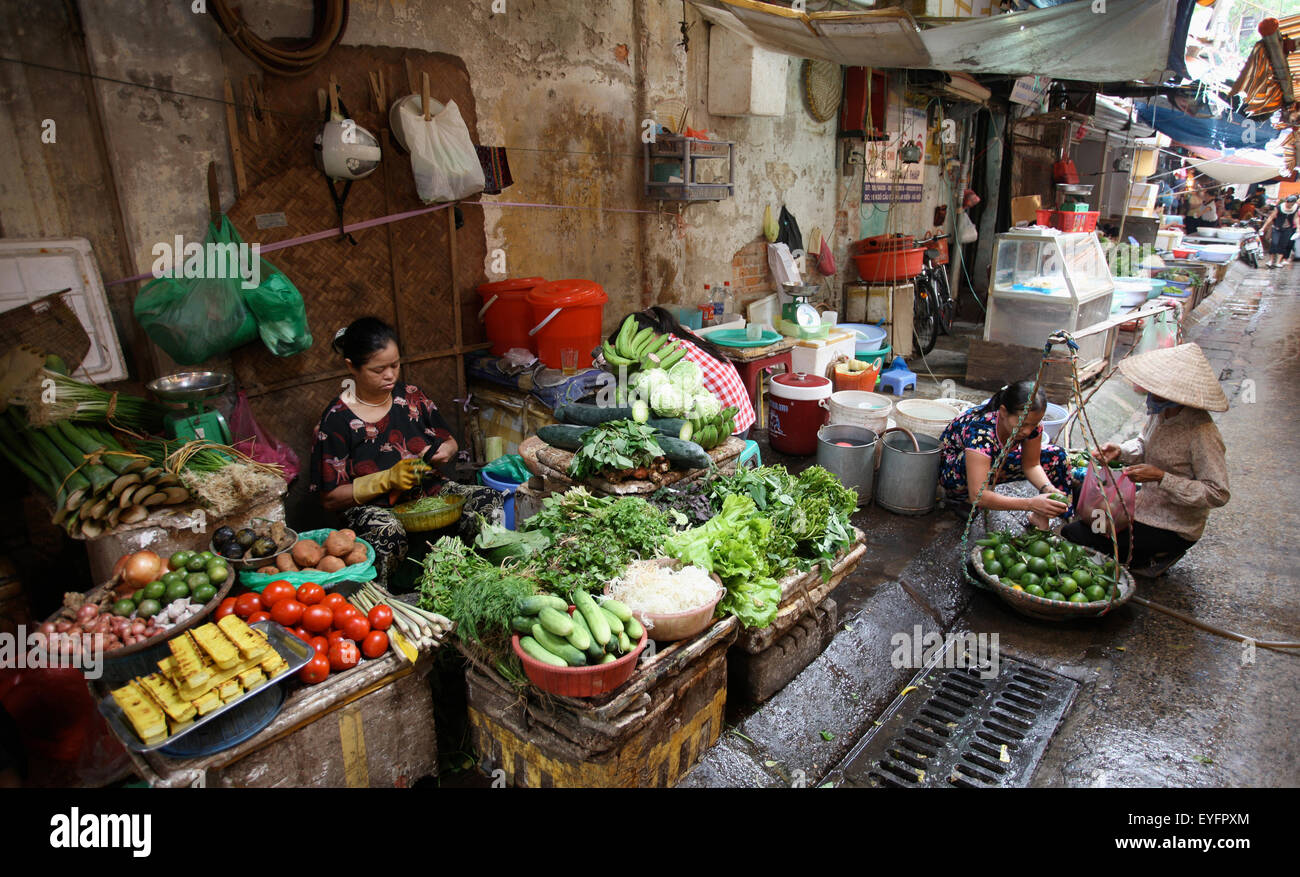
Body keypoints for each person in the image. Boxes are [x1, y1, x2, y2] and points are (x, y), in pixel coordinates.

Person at [310, 317, 504, 585]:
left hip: (429, 493)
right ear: (351, 367)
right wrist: (386, 479)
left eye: (395, 365)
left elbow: (448, 441)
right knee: (388, 530)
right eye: (378, 370)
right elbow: (330, 497)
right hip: (374, 509)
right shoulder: (337, 420)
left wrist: (444, 451)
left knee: (488, 501)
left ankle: (485, 580)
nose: (390, 375)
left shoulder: (411, 396)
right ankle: (383, 599)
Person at [1061, 343, 1229, 577]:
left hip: (1172, 526)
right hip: (1142, 504)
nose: (1149, 392)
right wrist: (1120, 451)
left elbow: (1217, 492)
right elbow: (1143, 443)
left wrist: (1162, 478)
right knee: (1078, 495)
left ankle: (1156, 555)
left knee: (1077, 533)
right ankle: (1138, 551)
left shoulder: (1202, 432)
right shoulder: (1161, 412)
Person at [937, 381, 1071, 531]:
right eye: (1023, 424)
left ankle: (1041, 517)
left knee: (1056, 456)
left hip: (994, 462)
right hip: (955, 474)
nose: (1027, 431)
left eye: (1033, 424)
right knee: (980, 479)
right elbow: (978, 495)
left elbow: (1032, 465)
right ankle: (965, 501)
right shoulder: (980, 432)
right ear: (1003, 411)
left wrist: (1047, 488)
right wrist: (1030, 503)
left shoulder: (1030, 425)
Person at [606, 306, 756, 437]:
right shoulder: (681, 336)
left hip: (729, 428)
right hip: (744, 417)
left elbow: (653, 392)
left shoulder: (668, 353)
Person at [1260, 194, 1298, 268]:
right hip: (1277, 228)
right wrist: (1263, 227)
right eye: (1289, 203)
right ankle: (1271, 260)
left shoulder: (1295, 208)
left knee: (1283, 244)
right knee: (1274, 243)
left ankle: (1278, 261)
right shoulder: (1279, 207)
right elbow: (1271, 217)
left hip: (1288, 228)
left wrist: (1298, 227)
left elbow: (1296, 218)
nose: (1290, 205)